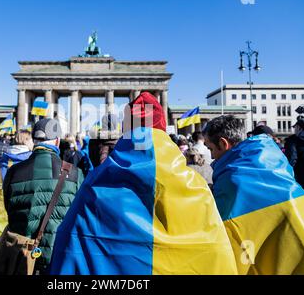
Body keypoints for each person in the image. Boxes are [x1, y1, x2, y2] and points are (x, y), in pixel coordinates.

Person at [50, 92, 237, 275]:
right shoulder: (196, 186)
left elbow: (69, 244)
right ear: (162, 129)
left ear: (126, 129)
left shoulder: (96, 181)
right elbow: (217, 252)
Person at [203, 115, 304, 274]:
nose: (211, 156)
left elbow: (224, 234)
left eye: (210, 148)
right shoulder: (271, 156)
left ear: (223, 143)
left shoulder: (232, 178)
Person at [3, 118, 84, 274]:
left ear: (34, 140)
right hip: (59, 254)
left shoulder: (14, 171)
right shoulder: (75, 173)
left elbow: (9, 207)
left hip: (22, 254)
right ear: (57, 141)